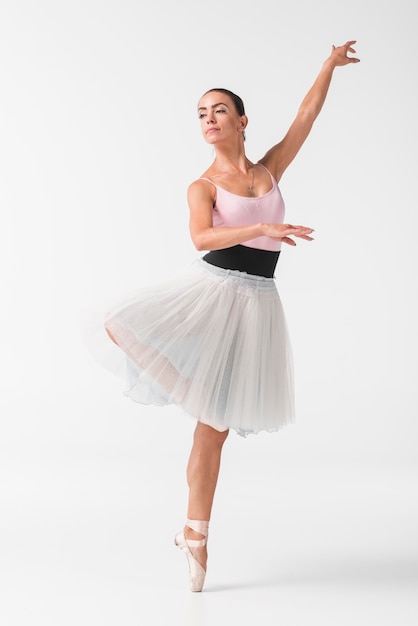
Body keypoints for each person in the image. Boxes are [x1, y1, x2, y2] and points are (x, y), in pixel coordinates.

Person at [102, 41, 360, 592]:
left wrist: (326, 66)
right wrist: (262, 230)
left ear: (242, 120)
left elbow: (306, 118)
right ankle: (191, 403)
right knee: (119, 326)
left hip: (258, 305)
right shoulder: (202, 185)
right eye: (200, 113)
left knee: (213, 432)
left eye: (218, 109)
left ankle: (194, 533)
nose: (208, 119)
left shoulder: (269, 168)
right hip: (215, 292)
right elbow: (201, 237)